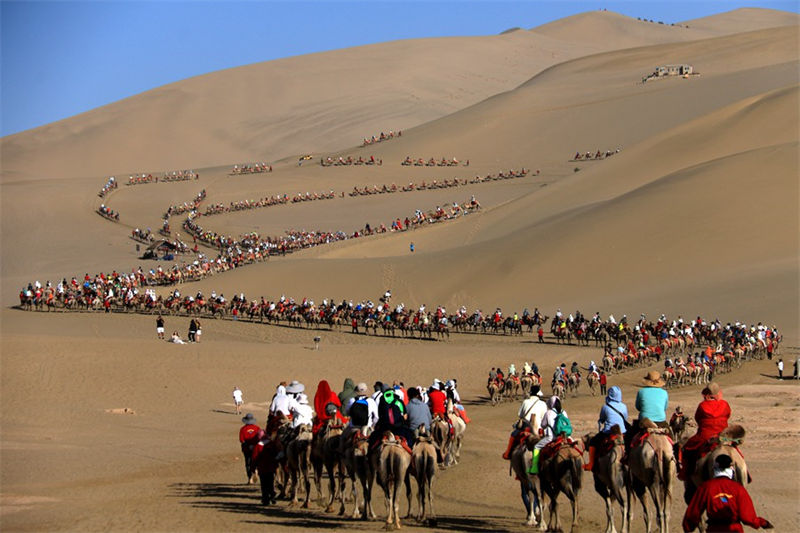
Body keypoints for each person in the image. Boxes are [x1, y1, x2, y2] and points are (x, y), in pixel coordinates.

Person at [682, 454, 773, 532]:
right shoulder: (738, 489)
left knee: (689, 453)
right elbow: (747, 517)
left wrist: (688, 527)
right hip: (734, 529)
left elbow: (694, 512)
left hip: (714, 529)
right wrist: (761, 522)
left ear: (714, 468)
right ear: (731, 468)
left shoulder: (705, 487)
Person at [680, 382, 731, 482]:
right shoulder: (724, 404)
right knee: (736, 450)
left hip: (705, 436)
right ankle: (745, 473)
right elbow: (728, 416)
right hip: (723, 436)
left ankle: (687, 474)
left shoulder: (702, 405)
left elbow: (697, 418)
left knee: (687, 448)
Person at [584, 386, 629, 470]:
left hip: (608, 432)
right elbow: (625, 418)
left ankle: (591, 464)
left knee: (593, 441)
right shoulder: (624, 406)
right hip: (622, 432)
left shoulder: (605, 407)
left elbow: (602, 419)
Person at [502, 385, 546, 460]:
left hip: (526, 428)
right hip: (538, 428)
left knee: (513, 434)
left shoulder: (525, 402)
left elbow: (519, 414)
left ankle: (508, 453)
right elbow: (544, 417)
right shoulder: (543, 404)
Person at [529, 395, 570, 474]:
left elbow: (543, 425)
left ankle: (534, 467)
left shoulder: (549, 413)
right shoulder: (564, 412)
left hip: (552, 437)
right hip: (565, 437)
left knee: (536, 447)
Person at [239, 413, 263, 483]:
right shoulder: (257, 428)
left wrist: (248, 445)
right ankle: (256, 471)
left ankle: (250, 478)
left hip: (246, 448)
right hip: (256, 448)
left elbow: (241, 440)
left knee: (248, 462)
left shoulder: (243, 429)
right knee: (256, 461)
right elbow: (260, 438)